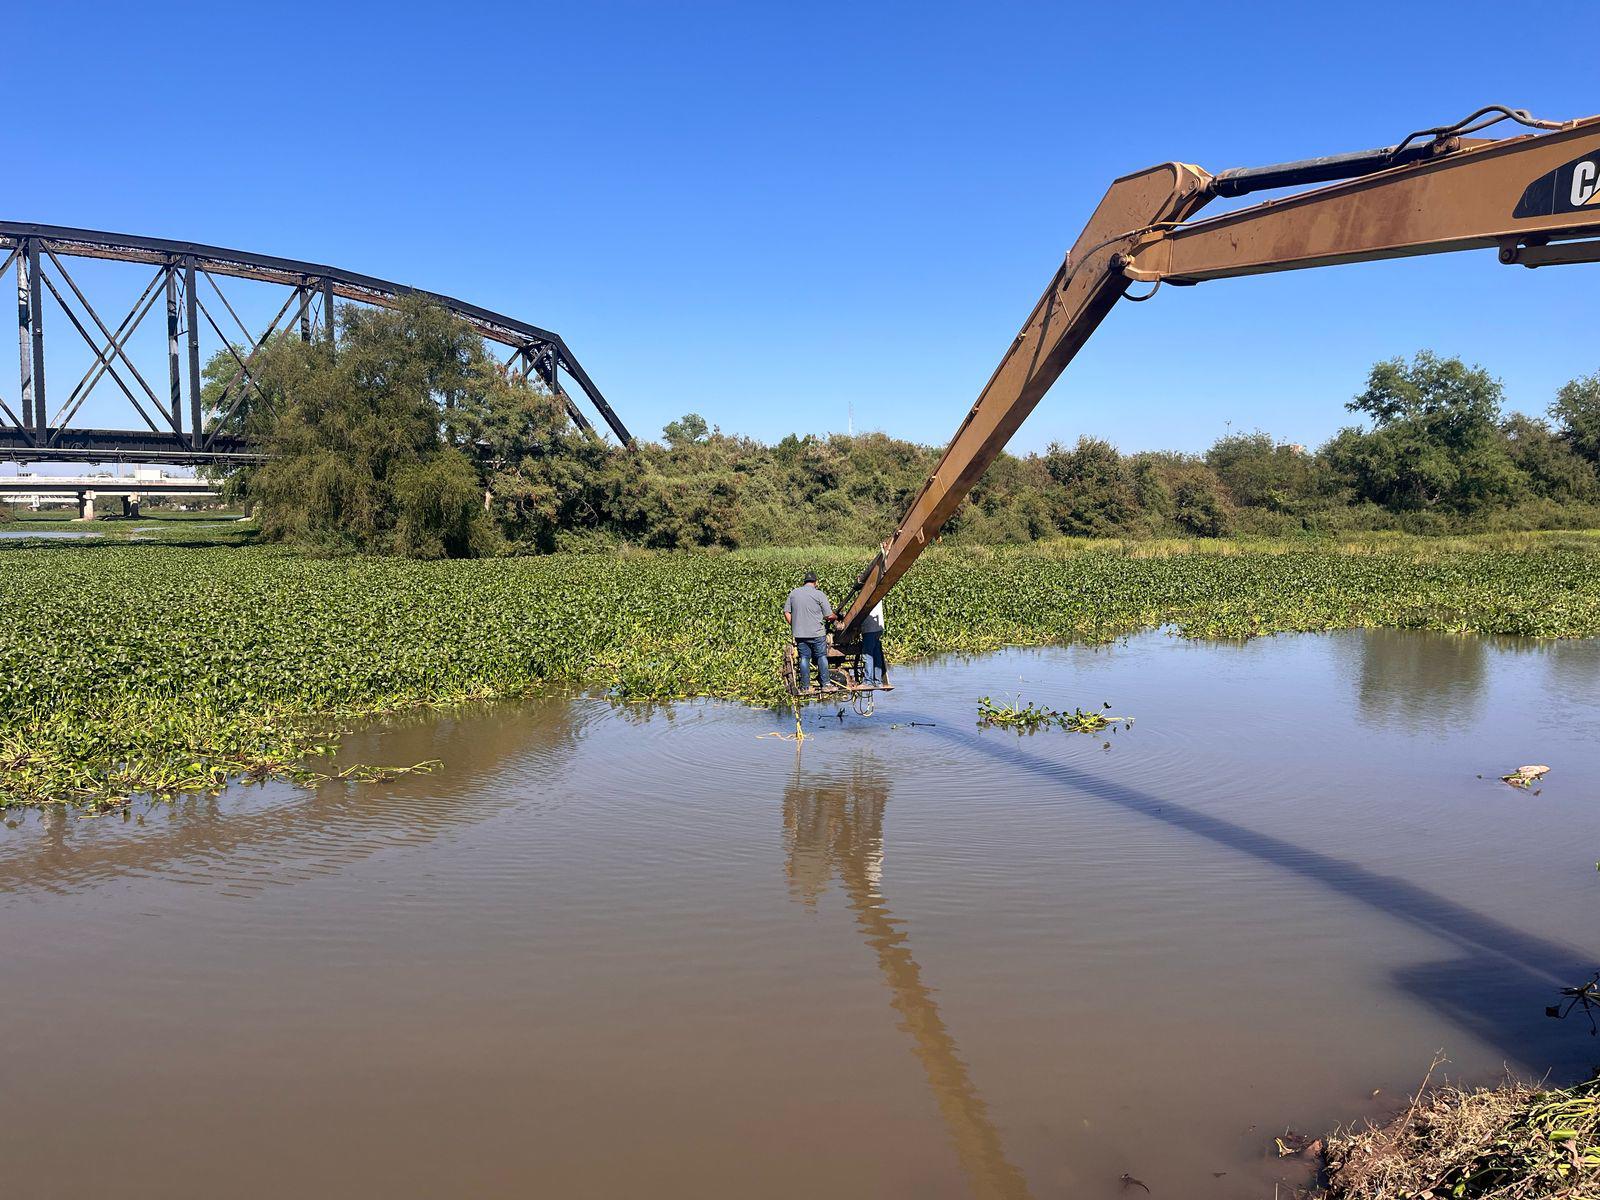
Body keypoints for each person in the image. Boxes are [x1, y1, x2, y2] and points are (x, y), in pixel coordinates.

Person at [783, 571, 837, 694]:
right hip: (817, 633)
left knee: (804, 658)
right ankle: (826, 684)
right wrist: (836, 616)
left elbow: (786, 612)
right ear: (815, 582)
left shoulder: (794, 593)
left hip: (800, 634)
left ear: (804, 582)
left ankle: (805, 687)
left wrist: (794, 625)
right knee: (821, 656)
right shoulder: (819, 594)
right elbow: (828, 616)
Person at [860, 598, 892, 689]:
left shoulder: (866, 595)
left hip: (869, 628)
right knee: (876, 654)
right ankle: (878, 681)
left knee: (868, 655)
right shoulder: (877, 594)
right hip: (878, 628)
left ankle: (868, 682)